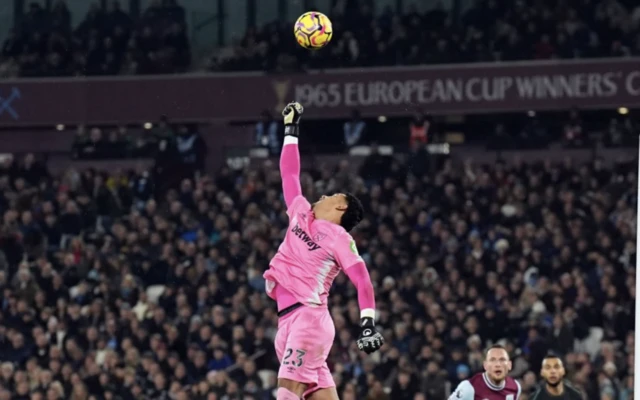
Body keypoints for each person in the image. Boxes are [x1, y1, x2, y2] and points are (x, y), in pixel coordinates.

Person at [263, 102, 385, 400]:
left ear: (341, 207)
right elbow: (289, 175)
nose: (323, 194)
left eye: (331, 195)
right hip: (287, 322)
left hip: (308, 320)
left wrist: (368, 323)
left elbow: (362, 279)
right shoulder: (301, 212)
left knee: (286, 394)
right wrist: (291, 130)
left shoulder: (340, 238)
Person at [448, 344, 522, 400]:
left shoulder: (515, 387)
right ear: (485, 365)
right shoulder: (469, 387)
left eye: (502, 360)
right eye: (492, 360)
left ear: (509, 365)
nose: (498, 364)